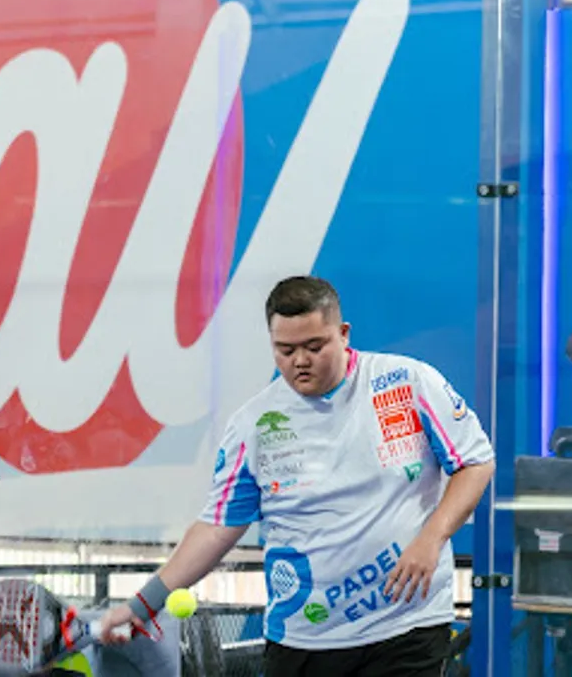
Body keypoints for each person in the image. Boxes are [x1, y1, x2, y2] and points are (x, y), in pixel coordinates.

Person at [100, 275, 495, 676]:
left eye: (314, 346)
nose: (300, 361)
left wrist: (432, 537)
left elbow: (475, 462)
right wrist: (142, 605)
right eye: (285, 350)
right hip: (304, 636)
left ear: (344, 334)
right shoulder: (253, 425)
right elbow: (217, 528)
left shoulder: (408, 383)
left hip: (407, 625)